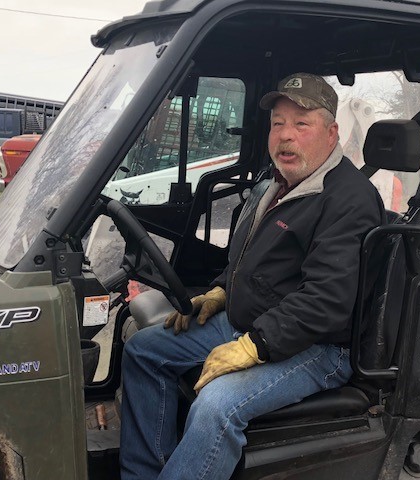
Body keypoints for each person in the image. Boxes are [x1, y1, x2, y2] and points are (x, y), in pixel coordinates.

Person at [120, 72, 385, 480]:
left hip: (316, 348)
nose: (285, 136)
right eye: (278, 123)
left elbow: (327, 301)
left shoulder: (348, 200)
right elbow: (252, 260)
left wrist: (254, 347)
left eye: (301, 124)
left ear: (331, 133)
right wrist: (221, 291)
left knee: (216, 404)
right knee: (143, 351)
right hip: (252, 322)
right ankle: (145, 472)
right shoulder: (277, 183)